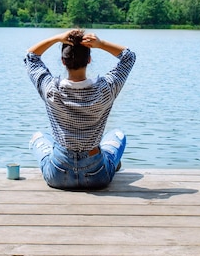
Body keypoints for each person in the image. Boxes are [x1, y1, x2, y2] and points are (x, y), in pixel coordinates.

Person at [24, 29, 136, 190]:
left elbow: (31, 57)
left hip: (58, 175)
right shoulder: (106, 89)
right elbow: (129, 57)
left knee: (38, 137)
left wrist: (57, 38)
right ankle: (109, 162)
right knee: (118, 135)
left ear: (63, 61)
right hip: (97, 175)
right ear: (89, 60)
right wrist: (100, 44)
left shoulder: (51, 90)